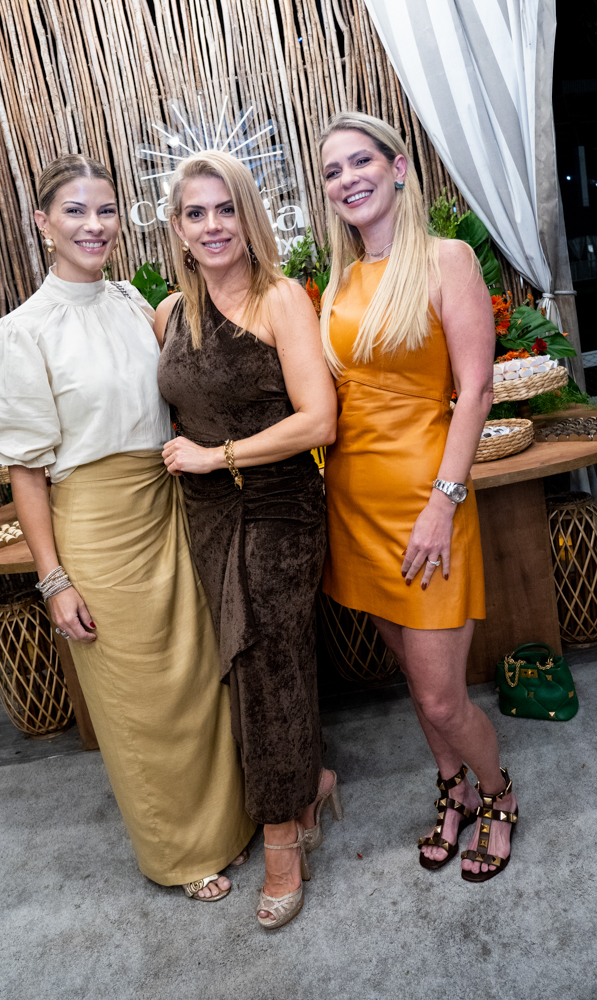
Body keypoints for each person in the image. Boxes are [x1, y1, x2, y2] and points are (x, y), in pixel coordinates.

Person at [0, 153, 255, 900]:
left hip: (171, 505)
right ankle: (180, 851)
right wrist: (54, 578)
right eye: (75, 211)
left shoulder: (135, 302)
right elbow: (26, 471)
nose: (94, 225)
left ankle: (230, 823)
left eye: (105, 210)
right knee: (140, 698)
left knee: (198, 678)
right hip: (98, 527)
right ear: (43, 224)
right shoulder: (19, 334)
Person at [319, 112, 518, 882]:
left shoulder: (445, 259)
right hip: (353, 507)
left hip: (425, 505)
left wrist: (443, 500)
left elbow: (475, 391)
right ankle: (451, 788)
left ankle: (496, 794)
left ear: (397, 167)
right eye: (332, 171)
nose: (347, 179)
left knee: (440, 698)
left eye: (359, 161)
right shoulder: (340, 281)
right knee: (412, 676)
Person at [155, 150, 340, 928]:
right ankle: (308, 786)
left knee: (267, 660)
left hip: (278, 505)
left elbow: (318, 421)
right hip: (206, 514)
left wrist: (217, 455)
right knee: (245, 663)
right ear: (177, 227)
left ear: (248, 215)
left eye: (224, 208)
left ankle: (280, 841)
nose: (212, 226)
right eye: (195, 213)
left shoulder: (280, 299)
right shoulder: (169, 313)